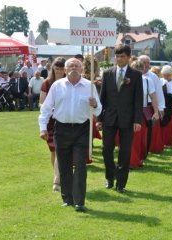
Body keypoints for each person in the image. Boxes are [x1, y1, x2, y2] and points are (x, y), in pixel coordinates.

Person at [38, 58, 102, 212]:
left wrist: (94, 104)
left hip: (82, 129)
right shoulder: (57, 86)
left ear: (82, 69)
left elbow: (99, 110)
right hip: (61, 129)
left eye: (77, 66)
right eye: (70, 66)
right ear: (65, 70)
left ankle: (79, 201)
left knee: (80, 165)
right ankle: (67, 198)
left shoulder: (89, 86)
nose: (74, 68)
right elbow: (46, 108)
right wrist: (43, 127)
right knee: (64, 165)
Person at [96, 44, 143, 193]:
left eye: (122, 56)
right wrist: (99, 118)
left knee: (125, 151)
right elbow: (102, 98)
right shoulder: (108, 73)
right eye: (117, 56)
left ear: (129, 58)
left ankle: (121, 183)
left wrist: (137, 120)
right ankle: (110, 177)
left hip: (127, 119)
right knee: (106, 149)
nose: (119, 59)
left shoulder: (135, 75)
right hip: (109, 117)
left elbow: (138, 99)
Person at [39, 57, 66, 192]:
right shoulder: (47, 83)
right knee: (53, 151)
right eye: (57, 68)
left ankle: (57, 180)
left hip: (63, 120)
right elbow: (41, 102)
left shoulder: (69, 82)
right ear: (53, 69)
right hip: (50, 120)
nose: (60, 71)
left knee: (58, 149)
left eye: (62, 68)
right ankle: (58, 174)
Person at [129, 61, 159, 168]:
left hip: (142, 111)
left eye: (139, 69)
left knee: (141, 138)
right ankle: (131, 161)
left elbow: (154, 97)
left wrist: (156, 111)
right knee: (131, 138)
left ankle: (139, 158)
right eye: (135, 69)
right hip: (128, 111)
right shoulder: (126, 80)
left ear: (143, 70)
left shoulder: (147, 81)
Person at [138, 55, 165, 154]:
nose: (146, 65)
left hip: (150, 106)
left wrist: (160, 108)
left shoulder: (153, 77)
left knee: (150, 128)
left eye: (148, 63)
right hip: (139, 105)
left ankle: (150, 148)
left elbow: (159, 93)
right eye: (144, 62)